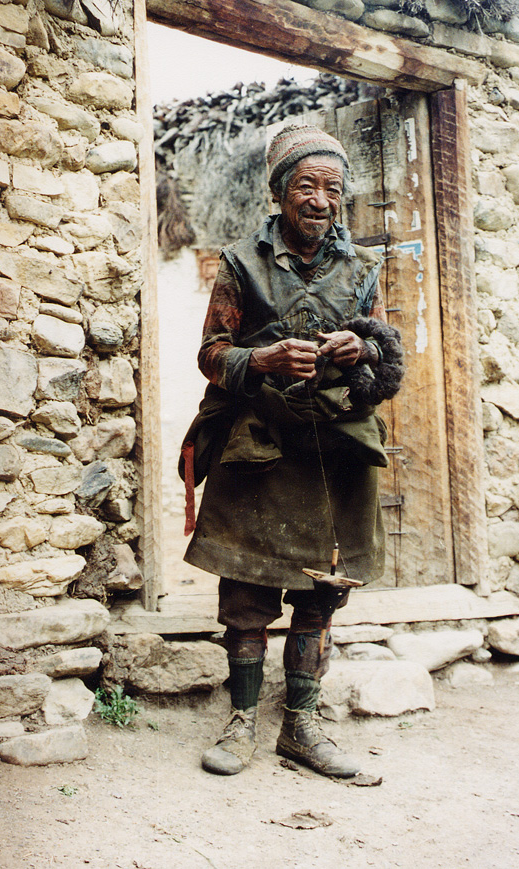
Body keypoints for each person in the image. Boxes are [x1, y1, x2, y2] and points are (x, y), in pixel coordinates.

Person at [180, 124, 404, 778]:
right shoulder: (240, 262)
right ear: (280, 192)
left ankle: (300, 727)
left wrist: (361, 348)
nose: (320, 199)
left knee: (320, 594)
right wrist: (264, 357)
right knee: (247, 592)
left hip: (333, 447)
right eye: (305, 185)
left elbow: (383, 350)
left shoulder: (363, 267)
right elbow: (211, 355)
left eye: (332, 188)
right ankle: (243, 720)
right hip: (259, 443)